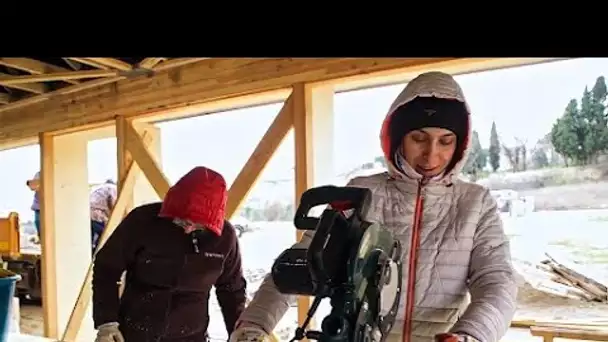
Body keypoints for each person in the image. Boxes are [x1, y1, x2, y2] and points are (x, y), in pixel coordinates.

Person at [230, 72, 517, 342]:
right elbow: (304, 260)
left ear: (461, 144)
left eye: (446, 141)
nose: (432, 154)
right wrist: (254, 325)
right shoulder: (362, 192)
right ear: (398, 137)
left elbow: (496, 281)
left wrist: (472, 334)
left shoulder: (475, 203)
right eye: (419, 138)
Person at [92, 166, 247, 342]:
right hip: (136, 331)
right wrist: (107, 322)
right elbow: (107, 269)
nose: (188, 228)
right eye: (182, 220)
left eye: (198, 224)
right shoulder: (142, 221)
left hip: (191, 335)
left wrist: (238, 330)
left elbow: (232, 289)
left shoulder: (224, 238)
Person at [90, 179, 118, 253]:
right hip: (97, 215)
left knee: (92, 240)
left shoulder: (99, 188)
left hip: (89, 214)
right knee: (106, 236)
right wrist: (114, 216)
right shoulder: (113, 188)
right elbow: (113, 202)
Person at [26, 171, 41, 241]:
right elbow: (33, 186)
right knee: (38, 222)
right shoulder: (39, 174)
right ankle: (40, 237)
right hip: (38, 205)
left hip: (47, 204)